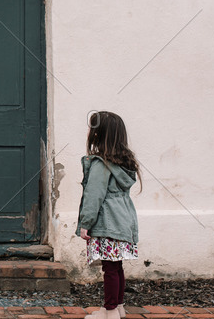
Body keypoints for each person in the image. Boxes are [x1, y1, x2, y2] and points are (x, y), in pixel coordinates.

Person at [77, 111, 141, 319]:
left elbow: (93, 196)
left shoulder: (101, 165)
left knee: (110, 269)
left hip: (108, 222)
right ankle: (117, 307)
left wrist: (85, 224)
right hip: (123, 222)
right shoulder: (122, 163)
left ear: (98, 135)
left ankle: (110, 312)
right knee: (116, 266)